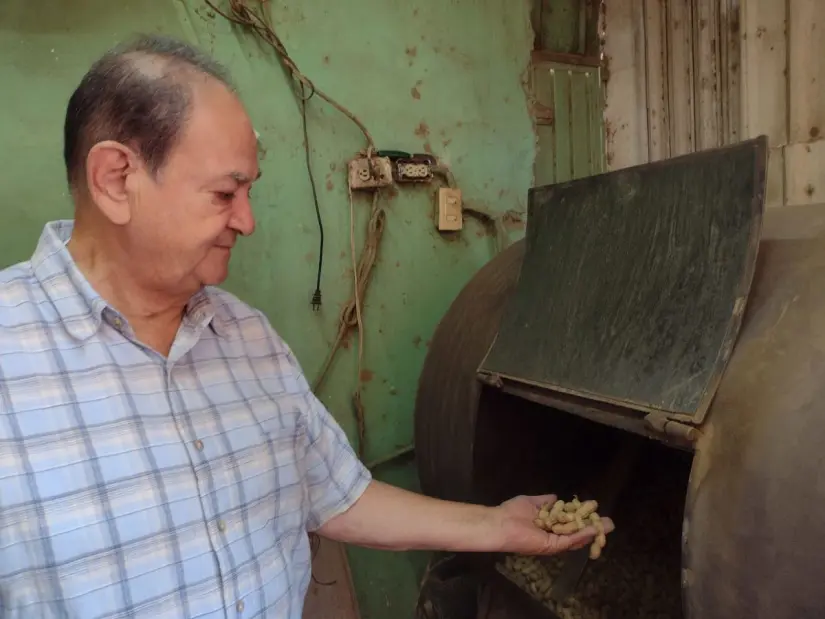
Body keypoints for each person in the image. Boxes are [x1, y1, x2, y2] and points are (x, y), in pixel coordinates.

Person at [0, 35, 613, 618]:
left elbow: (338, 495)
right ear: (116, 178)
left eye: (250, 192)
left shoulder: (247, 339)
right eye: (224, 193)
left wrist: (496, 525)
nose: (247, 221)